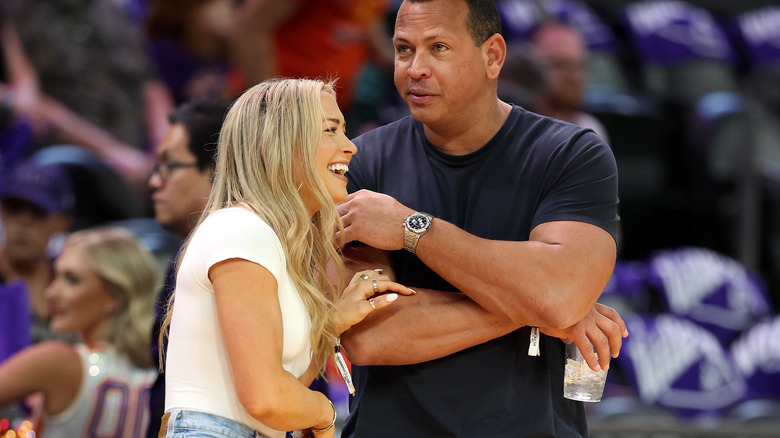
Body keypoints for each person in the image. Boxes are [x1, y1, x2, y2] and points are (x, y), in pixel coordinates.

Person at [336, 0, 627, 436]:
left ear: (492, 55)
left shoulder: (571, 154)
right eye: (402, 49)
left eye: (438, 48)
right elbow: (369, 336)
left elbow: (560, 296)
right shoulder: (363, 163)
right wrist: (538, 305)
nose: (415, 68)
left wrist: (410, 229)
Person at [158, 78, 415, 438]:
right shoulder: (242, 229)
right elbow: (266, 399)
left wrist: (332, 323)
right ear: (278, 144)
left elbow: (282, 387)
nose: (349, 147)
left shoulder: (265, 238)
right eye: (330, 131)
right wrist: (324, 412)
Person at [0, 227, 159, 437]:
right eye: (56, 275)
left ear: (115, 295)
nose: (51, 292)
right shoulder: (159, 372)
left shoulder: (57, 361)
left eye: (71, 279)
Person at [145, 96, 230, 438]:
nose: (154, 181)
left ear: (215, 169)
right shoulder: (193, 250)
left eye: (169, 166)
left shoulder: (231, 252)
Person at [0, 160, 74, 345]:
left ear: (62, 222)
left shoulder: (75, 283)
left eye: (37, 212)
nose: (23, 223)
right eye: (14, 210)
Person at [531, 21, 610, 142]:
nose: (574, 77)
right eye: (560, 65)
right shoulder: (515, 130)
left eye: (580, 66)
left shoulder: (591, 129)